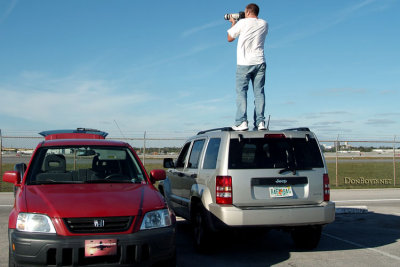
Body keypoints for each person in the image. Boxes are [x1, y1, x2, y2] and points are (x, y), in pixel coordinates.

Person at [227, 3, 268, 131]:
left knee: (241, 93)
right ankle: (260, 122)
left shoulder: (242, 23)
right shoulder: (264, 24)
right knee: (259, 93)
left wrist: (233, 23)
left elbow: (230, 38)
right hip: (260, 62)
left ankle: (241, 122)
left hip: (244, 63)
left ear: (248, 12)